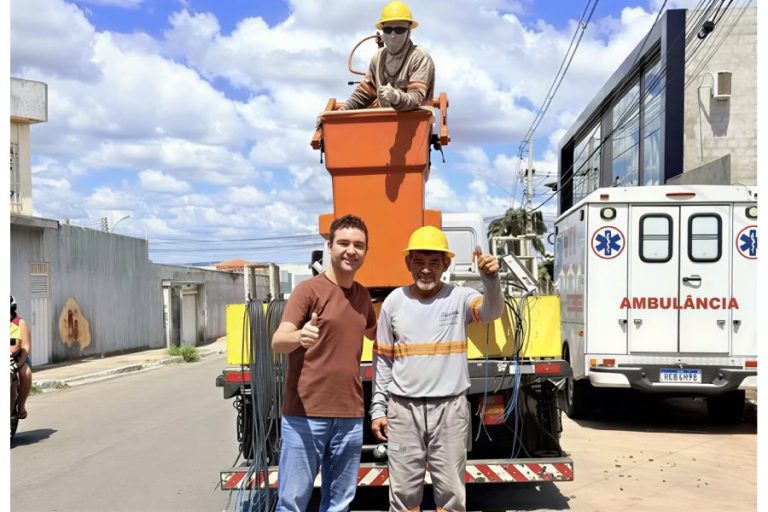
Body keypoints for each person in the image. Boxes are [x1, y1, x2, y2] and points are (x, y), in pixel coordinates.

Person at [370, 226, 503, 512]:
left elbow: (491, 312)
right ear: (408, 263)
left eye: (434, 262)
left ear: (446, 264)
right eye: (419, 261)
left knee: (452, 493)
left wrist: (490, 280)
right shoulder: (394, 302)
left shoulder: (460, 297)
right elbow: (383, 361)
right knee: (402, 493)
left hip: (450, 412)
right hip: (402, 414)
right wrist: (378, 410)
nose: (426, 270)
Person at [271, 214, 377, 512]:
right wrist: (300, 336)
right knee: (292, 503)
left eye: (359, 245)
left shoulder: (362, 296)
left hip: (350, 417)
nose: (351, 250)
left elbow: (377, 333)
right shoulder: (308, 291)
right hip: (306, 416)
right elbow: (278, 340)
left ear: (366, 252)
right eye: (343, 243)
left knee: (339, 503)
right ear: (329, 247)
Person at [340, 1, 435, 111]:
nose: (393, 35)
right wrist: (337, 114)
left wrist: (396, 97)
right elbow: (363, 95)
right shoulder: (378, 58)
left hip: (415, 123)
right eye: (388, 30)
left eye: (399, 30)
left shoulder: (420, 58)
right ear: (382, 31)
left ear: (409, 31)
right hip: (383, 123)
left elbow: (416, 98)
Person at [10, 295, 32, 419]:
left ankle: (21, 405)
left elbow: (26, 347)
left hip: (18, 357)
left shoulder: (20, 323)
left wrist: (18, 364)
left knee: (26, 373)